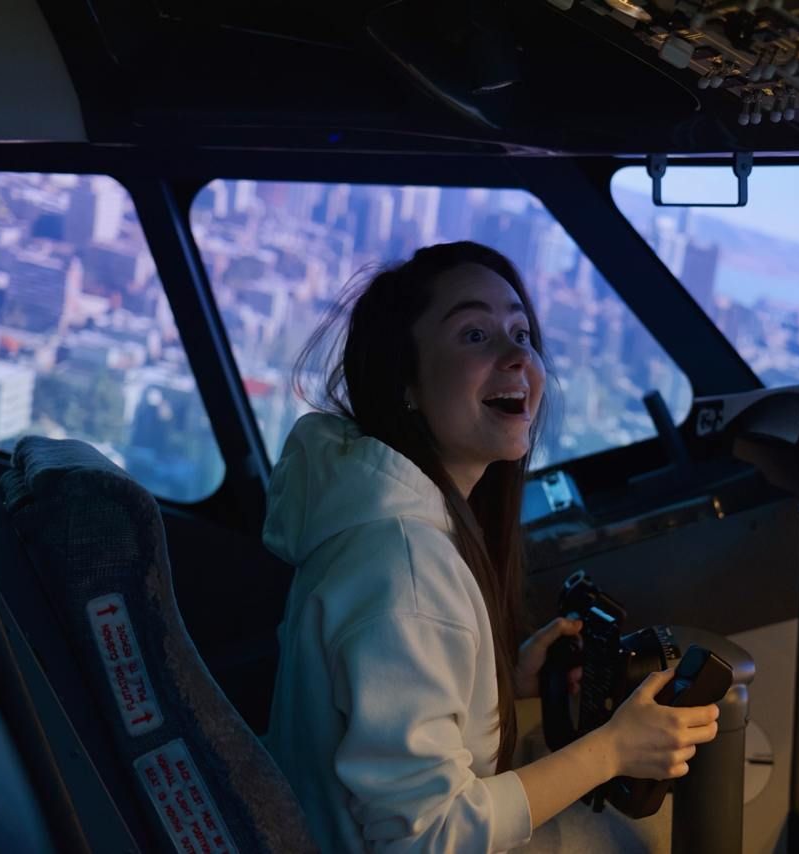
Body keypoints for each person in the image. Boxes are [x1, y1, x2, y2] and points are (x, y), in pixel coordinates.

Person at [262, 241, 720, 852]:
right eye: (475, 335)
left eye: (521, 333)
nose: (516, 357)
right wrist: (613, 749)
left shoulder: (374, 521)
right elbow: (423, 839)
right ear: (407, 382)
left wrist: (499, 684)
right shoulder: (405, 567)